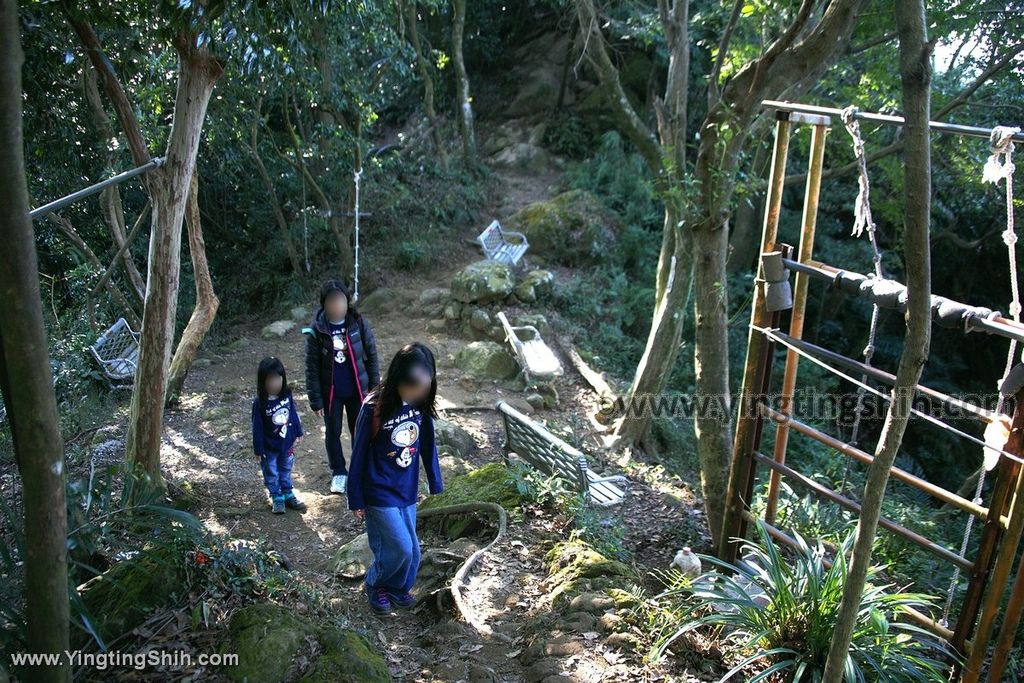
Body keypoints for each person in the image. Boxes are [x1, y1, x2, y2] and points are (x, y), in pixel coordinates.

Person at [347, 342, 444, 613]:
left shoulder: (421, 406)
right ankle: (375, 583)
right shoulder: (373, 408)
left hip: (407, 490)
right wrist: (355, 498)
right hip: (378, 492)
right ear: (399, 378)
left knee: (413, 551)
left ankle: (397, 589)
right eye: (415, 385)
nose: (420, 392)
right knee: (399, 548)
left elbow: (428, 445)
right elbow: (358, 457)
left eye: (426, 386)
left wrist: (435, 482)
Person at [303, 280, 380, 495]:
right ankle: (339, 472)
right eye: (332, 301)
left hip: (358, 390)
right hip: (331, 394)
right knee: (333, 432)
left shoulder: (358, 323)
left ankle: (360, 469)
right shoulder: (317, 331)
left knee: (360, 430)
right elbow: (311, 368)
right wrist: (315, 399)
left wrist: (374, 388)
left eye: (341, 300)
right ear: (324, 305)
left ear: (347, 301)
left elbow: (372, 356)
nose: (337, 305)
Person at [252, 357, 306, 514]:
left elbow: (293, 414)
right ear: (263, 382)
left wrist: (298, 431)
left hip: (287, 443)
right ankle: (276, 495)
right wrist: (258, 448)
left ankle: (287, 492)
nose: (274, 384)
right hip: (269, 447)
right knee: (271, 471)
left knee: (286, 468)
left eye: (277, 379)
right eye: (270, 380)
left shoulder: (286, 395)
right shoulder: (260, 403)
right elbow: (257, 427)